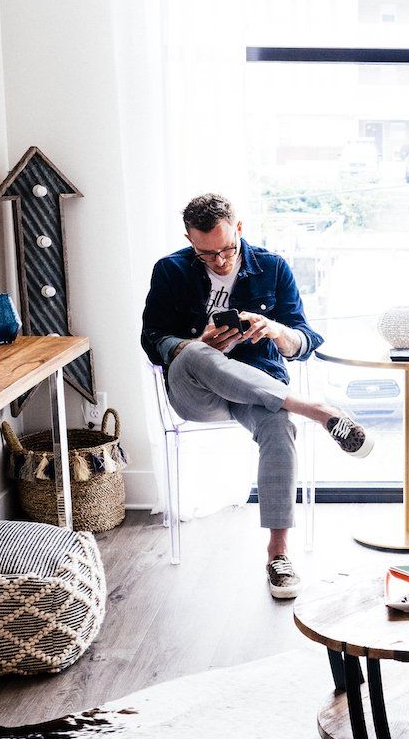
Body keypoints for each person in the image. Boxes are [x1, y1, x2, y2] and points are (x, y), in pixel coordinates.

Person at [141, 193, 371, 599]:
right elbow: (152, 340)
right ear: (189, 241)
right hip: (197, 392)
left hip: (259, 387)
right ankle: (317, 410)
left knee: (280, 426)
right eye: (205, 254)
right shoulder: (170, 271)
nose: (220, 260)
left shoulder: (272, 267)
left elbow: (305, 338)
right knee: (193, 351)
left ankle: (278, 554)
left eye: (227, 248)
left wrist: (276, 330)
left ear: (240, 229)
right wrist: (200, 342)